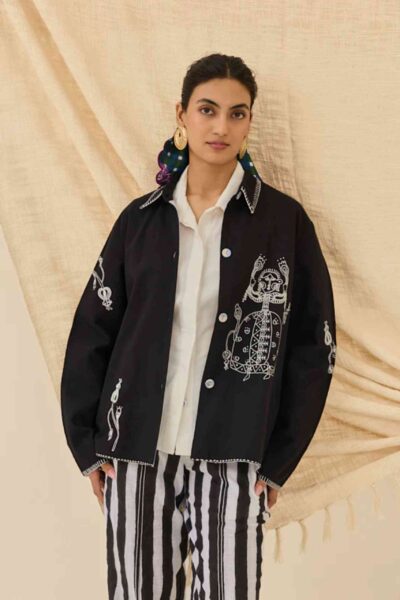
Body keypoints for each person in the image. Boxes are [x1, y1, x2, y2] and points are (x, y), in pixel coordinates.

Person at [61, 53, 336, 599]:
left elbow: (314, 349)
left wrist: (277, 462)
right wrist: (87, 444)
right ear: (182, 114)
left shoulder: (283, 224)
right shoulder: (141, 221)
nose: (221, 126)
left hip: (235, 456)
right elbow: (93, 330)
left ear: (249, 123)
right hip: (135, 452)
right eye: (208, 109)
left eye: (237, 113)